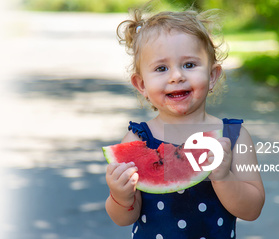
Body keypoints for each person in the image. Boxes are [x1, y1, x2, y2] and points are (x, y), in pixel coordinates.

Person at [105, 8, 265, 238]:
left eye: (189, 65)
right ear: (141, 85)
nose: (176, 76)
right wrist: (119, 196)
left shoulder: (234, 137)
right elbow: (123, 219)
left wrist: (223, 179)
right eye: (161, 68)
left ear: (212, 75)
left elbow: (253, 209)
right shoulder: (137, 140)